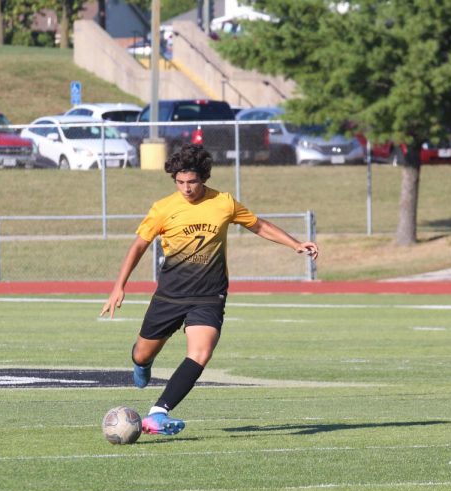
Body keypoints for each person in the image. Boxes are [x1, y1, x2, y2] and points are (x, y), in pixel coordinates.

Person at [100, 144, 319, 436]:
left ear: (203, 178)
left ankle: (158, 413)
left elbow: (258, 225)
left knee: (201, 353)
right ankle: (143, 363)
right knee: (141, 354)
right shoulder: (163, 208)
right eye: (180, 182)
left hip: (208, 295)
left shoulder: (224, 202)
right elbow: (139, 245)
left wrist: (295, 243)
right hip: (170, 295)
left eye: (192, 182)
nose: (186, 188)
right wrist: (119, 286)